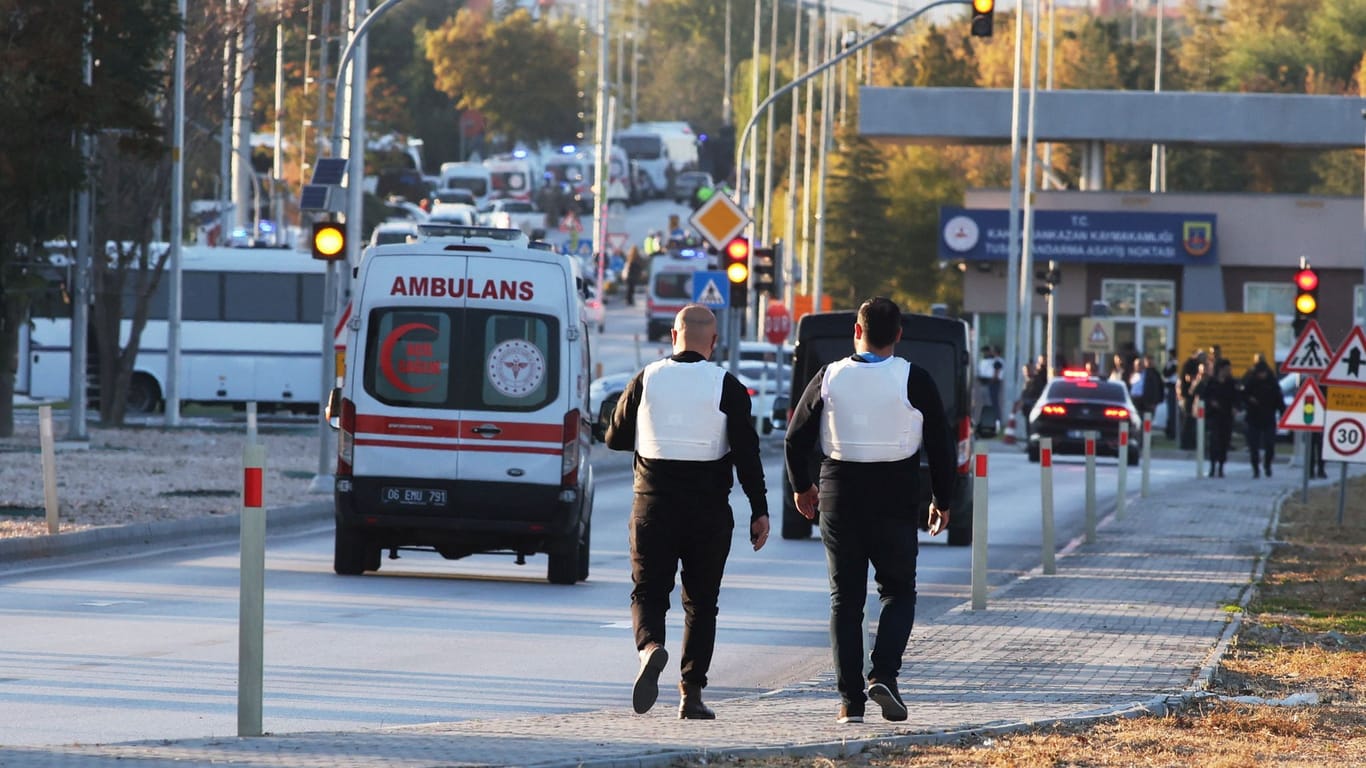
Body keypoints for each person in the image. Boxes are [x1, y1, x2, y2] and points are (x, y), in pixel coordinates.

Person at [783, 297, 956, 725]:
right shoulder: (913, 378)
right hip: (897, 491)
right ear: (898, 335)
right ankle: (884, 673)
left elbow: (795, 438)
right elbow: (940, 445)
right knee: (898, 591)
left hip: (839, 490)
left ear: (856, 332)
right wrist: (942, 499)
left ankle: (850, 703)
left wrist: (802, 487)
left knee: (846, 600)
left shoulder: (828, 377)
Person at [604, 304, 770, 720]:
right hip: (708, 512)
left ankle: (650, 649)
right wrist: (760, 509)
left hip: (652, 506)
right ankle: (691, 695)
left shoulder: (646, 378)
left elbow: (614, 437)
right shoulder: (728, 386)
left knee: (647, 592)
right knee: (701, 603)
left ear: (673, 336)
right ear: (713, 342)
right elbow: (748, 455)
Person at [1241, 353, 1283, 478]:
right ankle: (1255, 469)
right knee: (1254, 446)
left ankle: (1267, 465)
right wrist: (1250, 400)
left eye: (1263, 373)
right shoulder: (1251, 381)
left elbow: (1279, 399)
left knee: (1270, 444)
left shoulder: (1272, 382)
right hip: (1253, 418)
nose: (1261, 375)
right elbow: (1243, 395)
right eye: (1260, 373)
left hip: (1268, 417)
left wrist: (1282, 412)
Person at [1196, 358, 1237, 477]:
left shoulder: (1231, 383)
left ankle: (1221, 467)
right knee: (1214, 442)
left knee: (1224, 442)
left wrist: (1235, 407)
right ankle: (1212, 466)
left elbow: (1236, 398)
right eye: (1226, 369)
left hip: (1227, 416)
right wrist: (1211, 403)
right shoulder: (1212, 382)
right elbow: (1204, 396)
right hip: (1214, 416)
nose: (1228, 372)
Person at [1179, 349, 1208, 450]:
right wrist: (1197, 379)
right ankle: (1186, 443)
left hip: (1195, 396)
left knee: (1195, 420)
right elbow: (1187, 377)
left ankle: (1194, 442)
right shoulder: (1190, 364)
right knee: (1189, 419)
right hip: (1188, 395)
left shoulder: (1200, 365)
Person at [1128, 353, 1164, 421]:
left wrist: (1155, 402)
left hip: (1147, 401)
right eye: (1136, 365)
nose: (1138, 367)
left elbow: (1157, 388)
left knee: (1147, 420)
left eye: (1140, 364)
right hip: (1134, 400)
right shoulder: (1132, 375)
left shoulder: (1150, 374)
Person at [1162, 348, 1180, 439]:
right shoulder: (1170, 363)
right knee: (1170, 411)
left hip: (1173, 387)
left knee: (1173, 412)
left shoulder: (1175, 363)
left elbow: (1168, 373)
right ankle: (1170, 431)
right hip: (1169, 387)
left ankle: (1173, 432)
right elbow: (1164, 372)